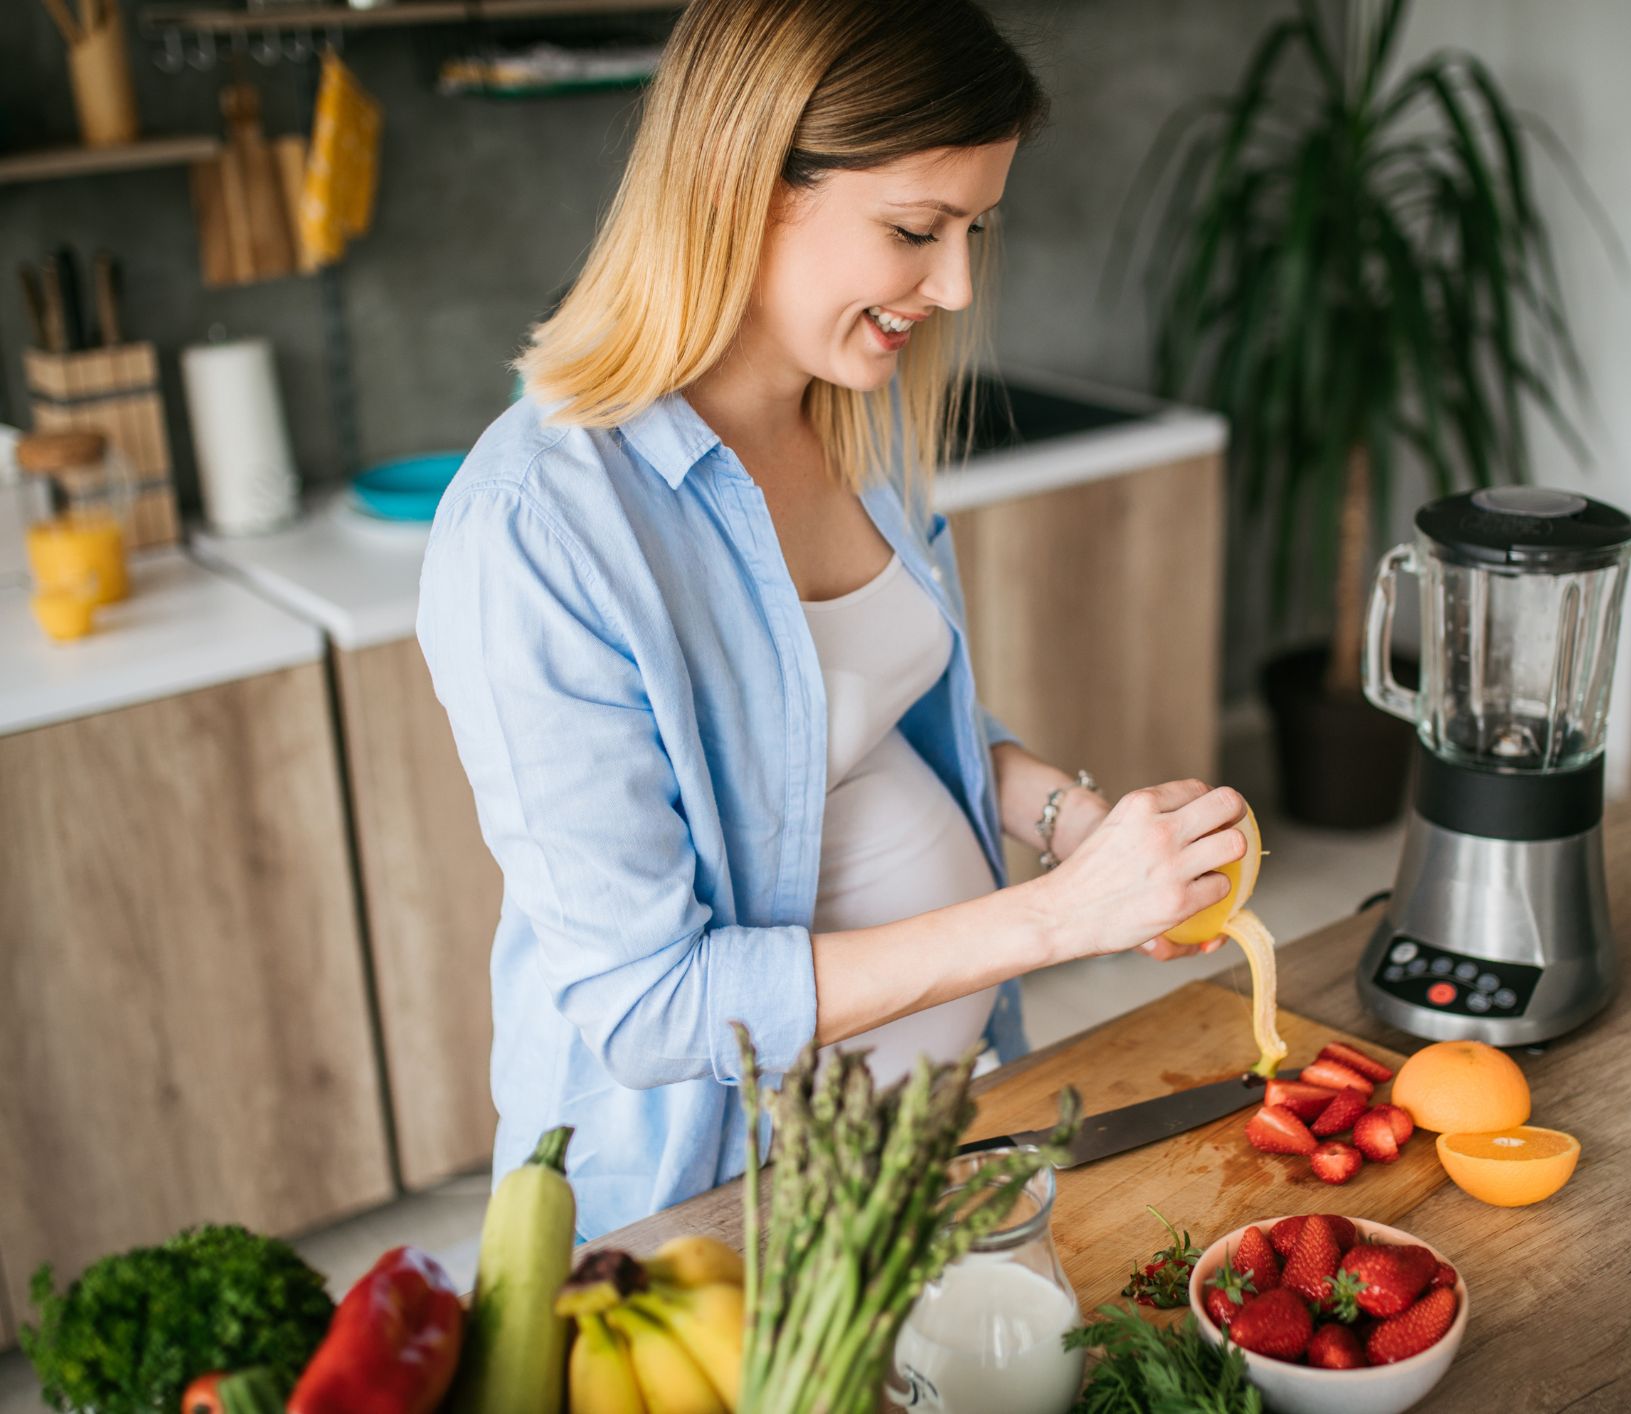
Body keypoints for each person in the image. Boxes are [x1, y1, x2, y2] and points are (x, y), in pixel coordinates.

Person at [417, 0, 1249, 1239]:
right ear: (745, 185)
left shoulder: (856, 417)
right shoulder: (536, 526)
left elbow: (869, 716)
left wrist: (1066, 819)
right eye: (917, 229)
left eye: (975, 229)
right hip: (716, 1201)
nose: (956, 284)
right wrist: (1055, 919)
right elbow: (648, 1006)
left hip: (926, 1124)